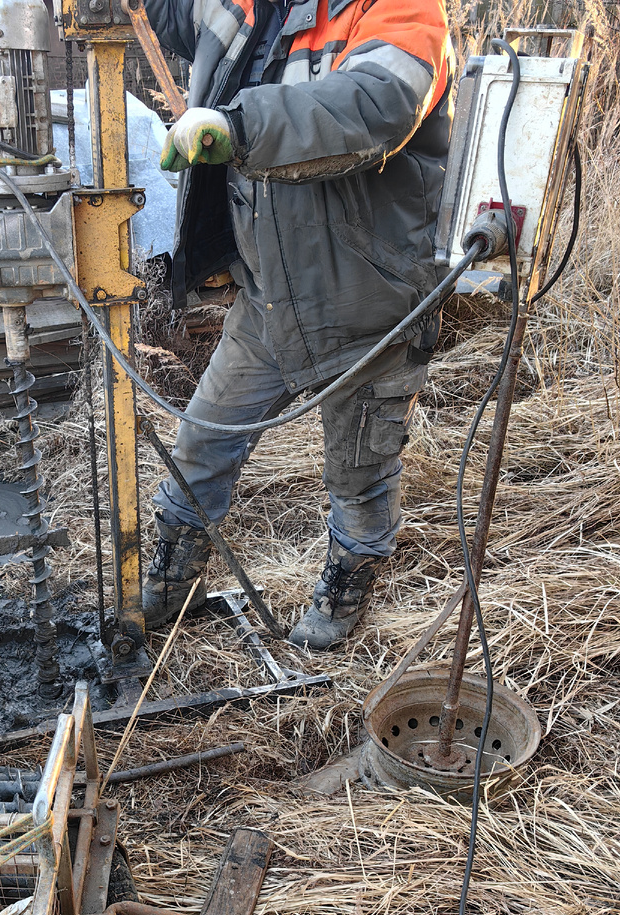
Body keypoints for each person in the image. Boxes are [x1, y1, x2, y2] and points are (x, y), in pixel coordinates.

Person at [142, 0, 453, 649]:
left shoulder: (397, 9)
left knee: (359, 470)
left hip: (362, 299)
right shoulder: (248, 7)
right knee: (203, 439)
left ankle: (349, 577)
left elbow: (377, 104)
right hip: (269, 295)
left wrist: (238, 126)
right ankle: (171, 575)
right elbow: (178, 19)